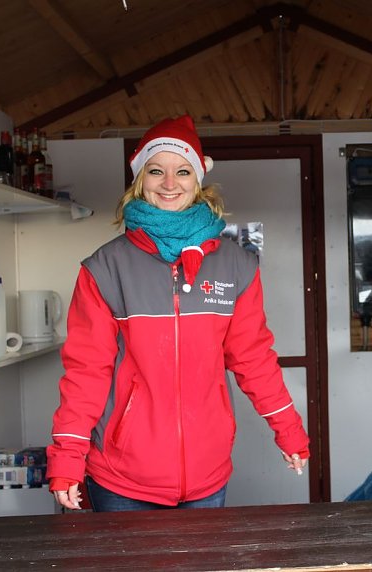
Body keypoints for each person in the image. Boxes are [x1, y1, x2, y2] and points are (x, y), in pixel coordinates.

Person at [46, 115, 310, 511]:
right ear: (140, 180)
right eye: (156, 171)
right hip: (122, 479)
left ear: (198, 180)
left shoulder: (236, 266)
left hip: (207, 474)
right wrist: (67, 456)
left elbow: (253, 359)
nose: (170, 184)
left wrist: (289, 431)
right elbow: (87, 371)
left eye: (182, 171)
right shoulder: (104, 269)